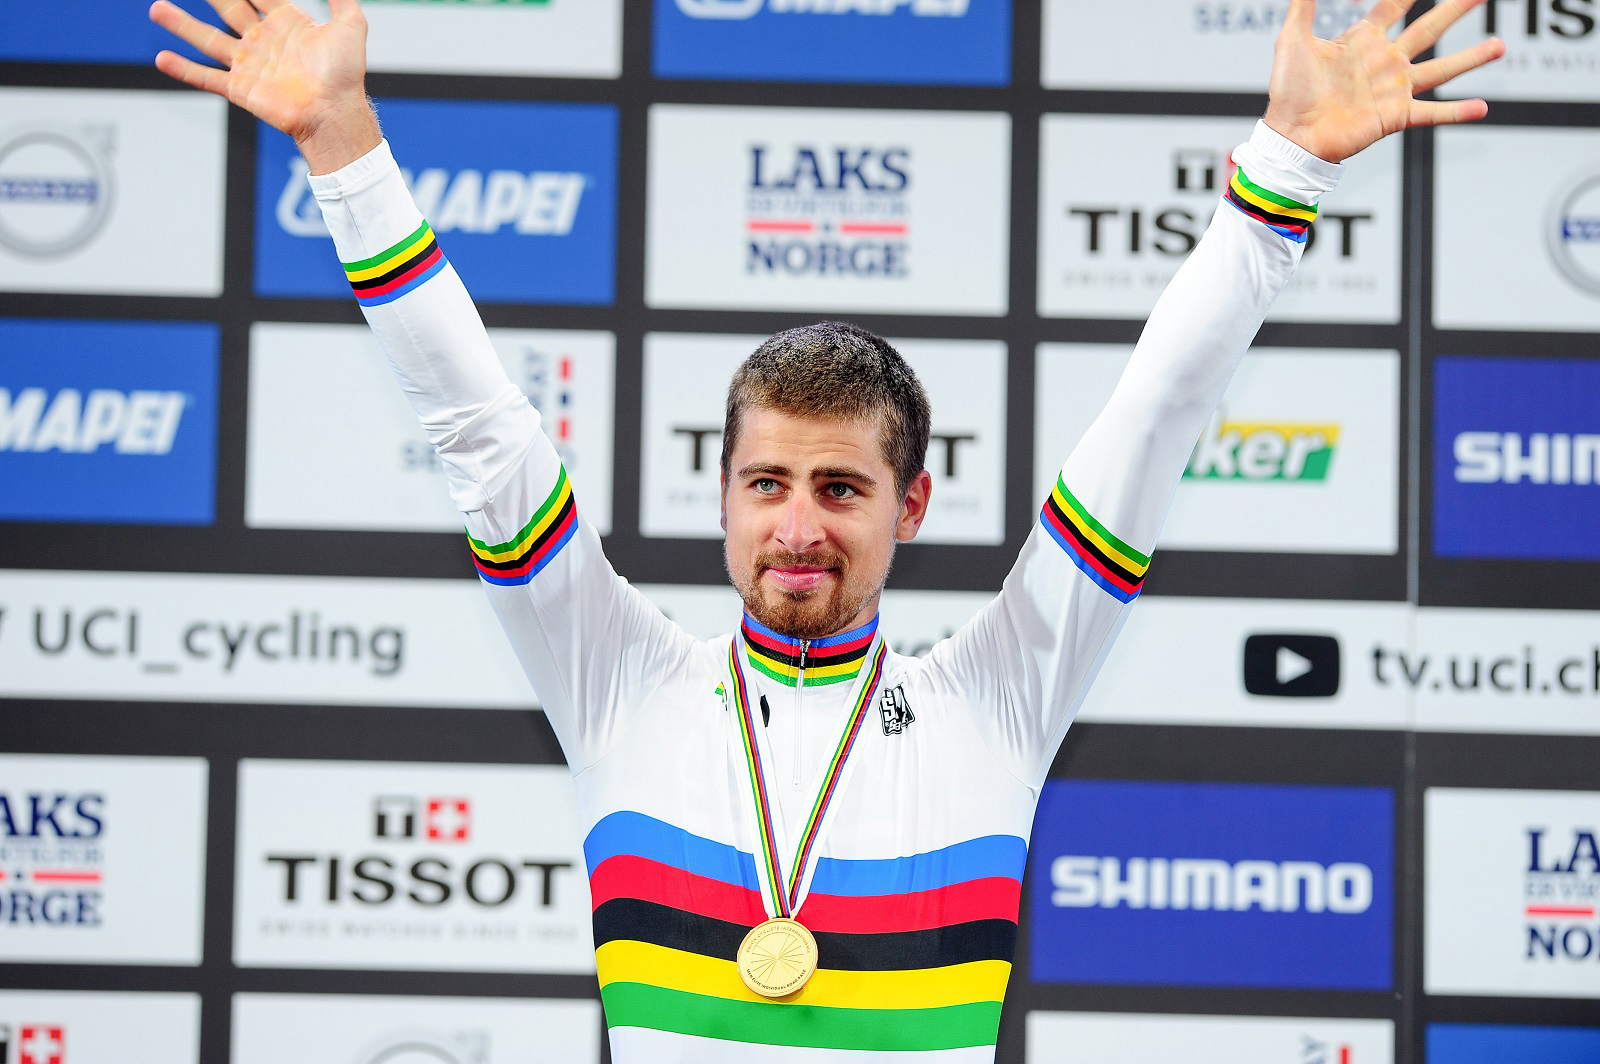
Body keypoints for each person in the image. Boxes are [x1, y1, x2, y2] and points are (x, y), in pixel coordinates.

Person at [150, 2, 1501, 1059]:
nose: (798, 526)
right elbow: (481, 430)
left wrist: (1281, 170)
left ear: (912, 505)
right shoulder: (617, 678)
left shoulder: (1001, 693)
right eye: (769, 484)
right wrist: (345, 151)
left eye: (841, 489)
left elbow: (1157, 413)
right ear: (721, 496)